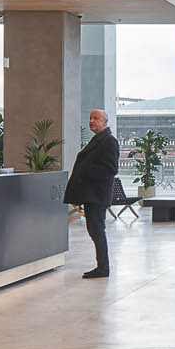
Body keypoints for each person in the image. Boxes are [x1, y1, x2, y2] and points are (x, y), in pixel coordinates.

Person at [63, 108, 121, 279]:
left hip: (97, 195)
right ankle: (102, 266)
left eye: (96, 118)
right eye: (90, 118)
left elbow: (111, 169)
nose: (92, 121)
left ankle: (103, 267)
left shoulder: (109, 141)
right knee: (94, 230)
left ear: (105, 121)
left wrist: (87, 170)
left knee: (97, 230)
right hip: (92, 194)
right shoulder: (98, 140)